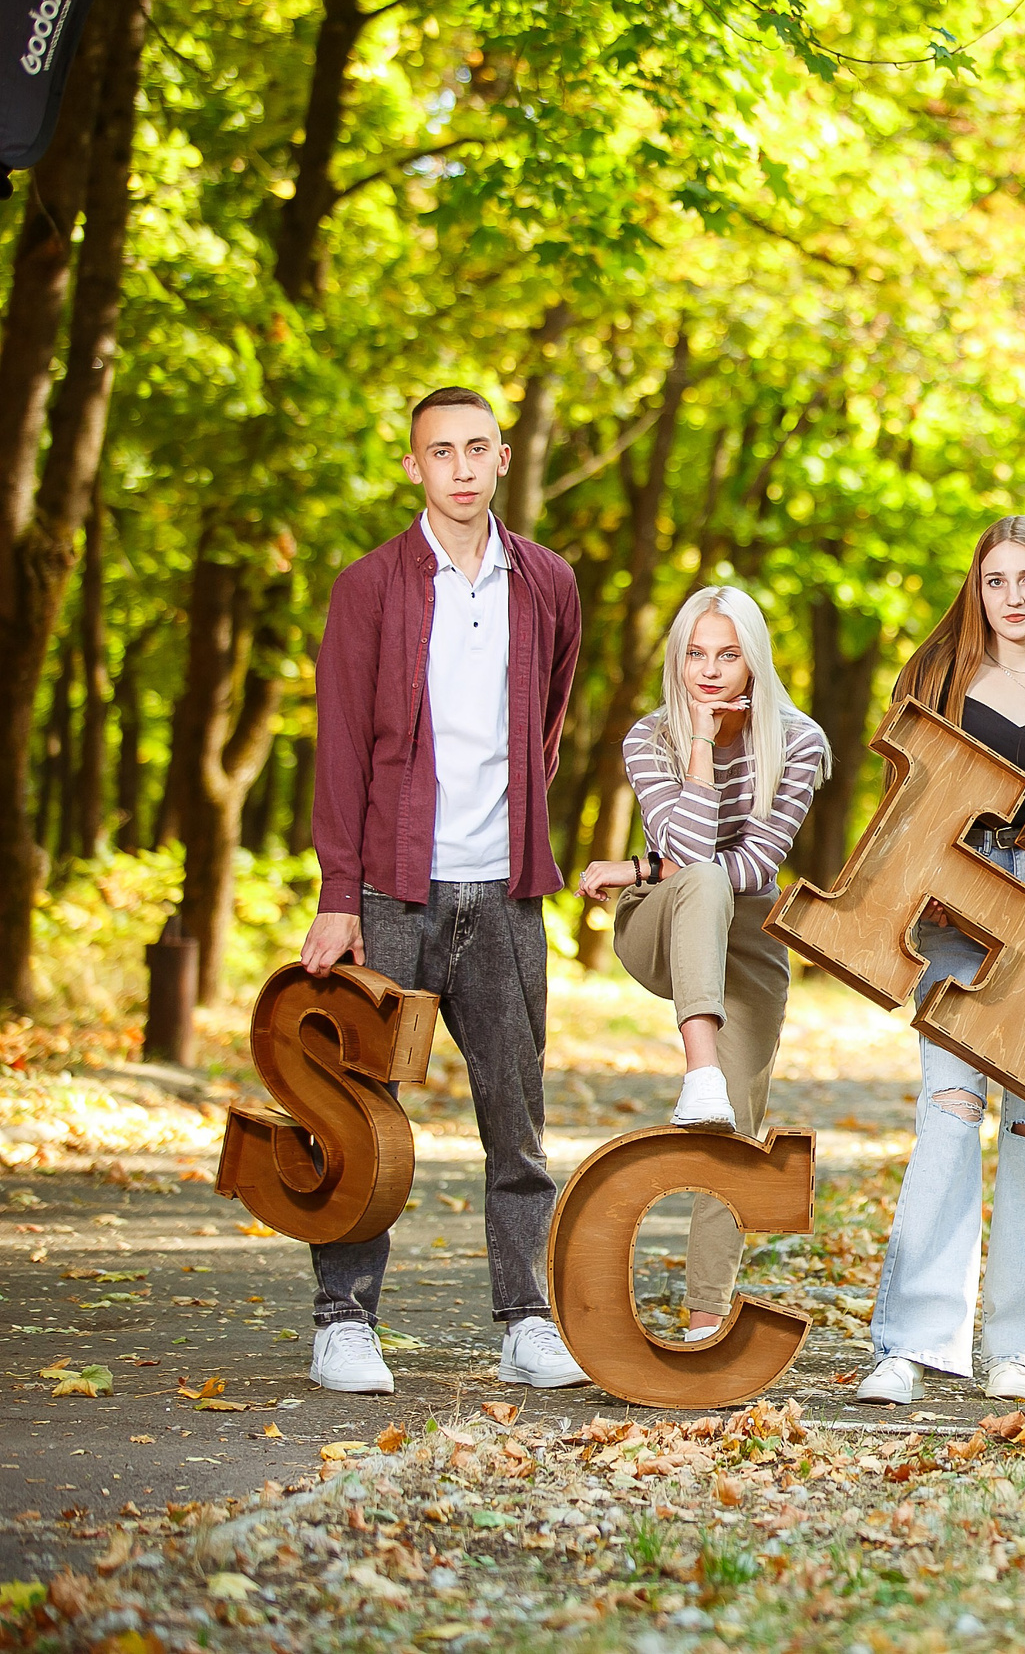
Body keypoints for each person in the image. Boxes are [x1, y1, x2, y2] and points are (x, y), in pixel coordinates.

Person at [297, 386, 587, 1395]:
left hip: (505, 894)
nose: (460, 466)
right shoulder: (367, 587)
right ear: (413, 467)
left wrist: (517, 836)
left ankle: (527, 1321)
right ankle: (344, 1321)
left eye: (477, 448)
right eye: (439, 452)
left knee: (517, 1118)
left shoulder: (548, 581)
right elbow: (340, 749)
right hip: (392, 891)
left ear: (503, 458)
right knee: (364, 1115)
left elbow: (544, 723)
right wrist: (341, 893)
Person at [855, 517, 1025, 1408]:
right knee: (949, 1112)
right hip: (955, 908)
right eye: (996, 579)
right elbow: (904, 802)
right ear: (978, 588)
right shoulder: (940, 680)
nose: (1012, 597)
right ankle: (913, 1342)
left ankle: (1024, 1348)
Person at [575, 585, 832, 1343]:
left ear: (754, 659)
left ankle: (703, 1320)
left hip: (749, 936)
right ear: (676, 657)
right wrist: (696, 745)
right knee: (701, 877)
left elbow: (754, 865)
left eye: (728, 654)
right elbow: (691, 863)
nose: (710, 670)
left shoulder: (800, 739)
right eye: (695, 652)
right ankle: (700, 1073)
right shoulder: (649, 736)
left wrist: (631, 864)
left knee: (735, 1133)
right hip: (662, 924)